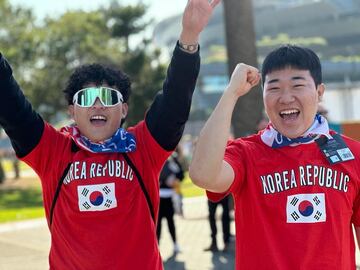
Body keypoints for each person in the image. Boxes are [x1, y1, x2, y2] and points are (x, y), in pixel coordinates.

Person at [0, 0, 220, 269]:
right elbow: (12, 107)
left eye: (108, 96)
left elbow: (174, 101)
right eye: (87, 97)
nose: (98, 104)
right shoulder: (53, 152)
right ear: (72, 111)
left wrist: (189, 36)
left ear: (124, 109)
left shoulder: (142, 147)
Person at [189, 44, 360, 269]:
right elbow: (203, 175)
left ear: (319, 92)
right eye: (274, 88)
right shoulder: (246, 153)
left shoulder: (353, 155)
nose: (286, 97)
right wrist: (231, 92)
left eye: (297, 85)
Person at [157, 149, 185, 254]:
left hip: (170, 196)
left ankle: (175, 244)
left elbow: (181, 174)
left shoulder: (173, 158)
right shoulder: (155, 156)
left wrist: (175, 179)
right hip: (158, 197)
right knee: (157, 224)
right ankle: (156, 247)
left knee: (171, 222)